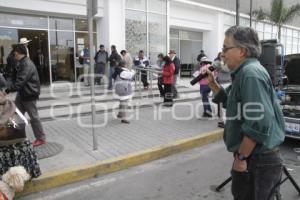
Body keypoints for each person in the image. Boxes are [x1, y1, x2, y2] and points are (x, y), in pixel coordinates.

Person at [204, 26, 285, 200]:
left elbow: (259, 123)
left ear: (241, 51)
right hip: (256, 157)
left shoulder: (250, 74)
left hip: (257, 158)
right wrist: (212, 84)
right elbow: (231, 103)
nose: (222, 54)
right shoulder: (244, 73)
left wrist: (241, 157)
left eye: (225, 48)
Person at [5, 44, 47, 147]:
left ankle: (41, 138)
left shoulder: (27, 64)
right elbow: (15, 77)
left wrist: (7, 91)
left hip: (29, 94)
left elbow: (20, 81)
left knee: (34, 117)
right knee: (16, 115)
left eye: (14, 51)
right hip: (22, 94)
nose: (13, 53)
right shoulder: (20, 62)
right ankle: (16, 137)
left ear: (18, 52)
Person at [0, 90, 41, 178]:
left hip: (3, 144)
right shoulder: (10, 103)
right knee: (26, 144)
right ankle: (30, 173)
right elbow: (23, 121)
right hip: (19, 139)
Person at [212, 52, 231, 127]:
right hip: (220, 84)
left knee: (224, 105)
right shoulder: (220, 63)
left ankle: (225, 122)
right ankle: (221, 121)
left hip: (227, 84)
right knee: (220, 104)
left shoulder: (229, 64)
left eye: (223, 56)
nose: (222, 57)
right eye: (221, 56)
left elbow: (226, 70)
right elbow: (214, 67)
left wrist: (219, 66)